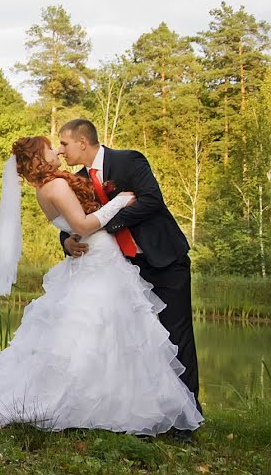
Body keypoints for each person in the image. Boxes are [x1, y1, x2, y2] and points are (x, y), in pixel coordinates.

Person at [0, 135, 203, 436]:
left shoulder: (50, 187)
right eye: (51, 148)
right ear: (40, 159)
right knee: (113, 335)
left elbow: (70, 224)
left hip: (112, 261)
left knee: (105, 335)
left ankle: (112, 404)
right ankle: (107, 407)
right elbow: (80, 226)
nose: (57, 151)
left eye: (61, 144)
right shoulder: (58, 185)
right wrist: (119, 201)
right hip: (99, 261)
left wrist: (70, 237)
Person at [56, 119, 201, 425]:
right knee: (137, 342)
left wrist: (106, 222)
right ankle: (146, 415)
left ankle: (188, 418)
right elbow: (74, 221)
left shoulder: (129, 160)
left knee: (176, 336)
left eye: (64, 143)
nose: (61, 150)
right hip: (123, 270)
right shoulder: (75, 181)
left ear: (83, 142)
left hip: (163, 260)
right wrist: (67, 241)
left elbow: (151, 201)